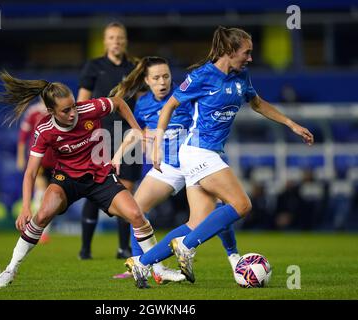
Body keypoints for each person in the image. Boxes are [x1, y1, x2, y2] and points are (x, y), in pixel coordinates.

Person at [125, 26, 314, 286]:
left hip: (207, 154)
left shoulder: (241, 77)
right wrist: (157, 141)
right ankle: (189, 247)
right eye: (246, 52)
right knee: (242, 204)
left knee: (197, 223)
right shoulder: (202, 76)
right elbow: (170, 105)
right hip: (198, 151)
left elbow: (257, 103)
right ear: (229, 50)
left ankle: (141, 263)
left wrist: (291, 124)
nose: (249, 58)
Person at [0, 71, 158, 289]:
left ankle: (157, 269)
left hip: (100, 176)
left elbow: (118, 102)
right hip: (66, 179)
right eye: (66, 110)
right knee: (42, 215)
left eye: (73, 106)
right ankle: (10, 270)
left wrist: (136, 128)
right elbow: (31, 172)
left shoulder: (88, 108)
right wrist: (25, 207)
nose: (72, 113)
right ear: (51, 112)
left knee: (136, 215)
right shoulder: (45, 130)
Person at [111, 56, 240, 286]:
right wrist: (117, 156)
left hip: (194, 161)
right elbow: (138, 132)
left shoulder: (184, 94)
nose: (163, 82)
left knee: (221, 207)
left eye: (166, 76)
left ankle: (233, 256)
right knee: (135, 210)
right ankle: (145, 265)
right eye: (157, 78)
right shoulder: (143, 105)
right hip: (168, 166)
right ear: (147, 81)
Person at [77, 21, 142, 260]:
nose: (116, 41)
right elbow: (81, 102)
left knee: (125, 189)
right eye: (112, 38)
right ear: (105, 41)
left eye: (120, 38)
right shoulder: (93, 66)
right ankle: (85, 249)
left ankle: (123, 248)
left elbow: (143, 100)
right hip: (99, 133)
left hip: (128, 135)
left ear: (125, 41)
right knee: (95, 189)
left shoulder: (136, 68)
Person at [17, 99, 57, 243]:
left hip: (57, 160)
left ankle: (44, 232)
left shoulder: (59, 109)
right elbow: (23, 135)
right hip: (39, 159)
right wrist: (21, 157)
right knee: (40, 193)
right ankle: (33, 229)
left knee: (51, 197)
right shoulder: (33, 111)